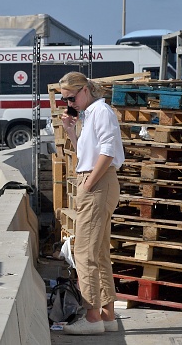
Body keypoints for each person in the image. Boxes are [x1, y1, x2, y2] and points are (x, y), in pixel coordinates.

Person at [58, 71, 125, 335]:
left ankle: (92, 317)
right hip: (96, 182)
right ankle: (106, 315)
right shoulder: (91, 113)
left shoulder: (101, 111)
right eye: (66, 100)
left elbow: (108, 150)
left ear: (84, 90)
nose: (70, 103)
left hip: (96, 184)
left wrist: (88, 184)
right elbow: (87, 153)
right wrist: (72, 132)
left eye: (71, 98)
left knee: (84, 252)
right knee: (97, 252)